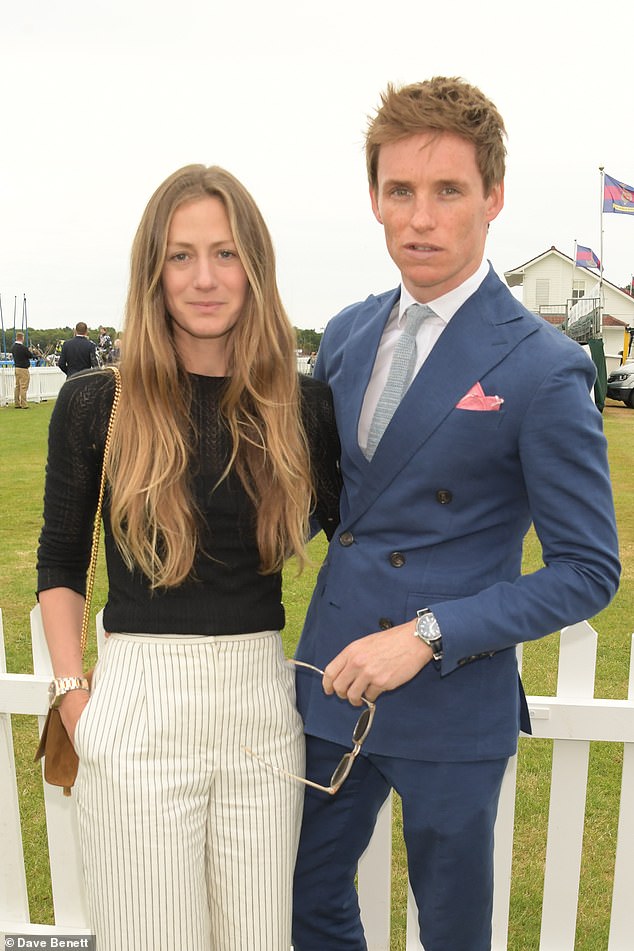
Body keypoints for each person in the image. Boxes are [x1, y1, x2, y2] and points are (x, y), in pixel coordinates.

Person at [291, 77, 620, 951]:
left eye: (448, 191)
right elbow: (330, 505)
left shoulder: (543, 365)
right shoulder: (349, 334)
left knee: (453, 933)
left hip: (448, 692)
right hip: (332, 685)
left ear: (493, 198)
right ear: (374, 198)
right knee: (305, 904)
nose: (421, 218)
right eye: (400, 191)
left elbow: (589, 570)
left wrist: (426, 633)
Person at [36, 164, 341, 951]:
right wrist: (74, 694)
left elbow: (359, 537)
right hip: (138, 705)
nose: (205, 278)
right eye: (181, 255)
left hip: (262, 711)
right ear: (153, 272)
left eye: (226, 252)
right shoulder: (97, 402)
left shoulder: (302, 407)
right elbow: (61, 560)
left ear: (256, 267)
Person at [10, 331, 34, 408]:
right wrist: (30, 351)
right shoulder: (23, 348)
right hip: (23, 368)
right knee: (23, 386)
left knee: (17, 386)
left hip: (17, 367)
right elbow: (30, 356)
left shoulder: (13, 347)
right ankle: (24, 404)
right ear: (22, 338)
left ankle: (17, 403)